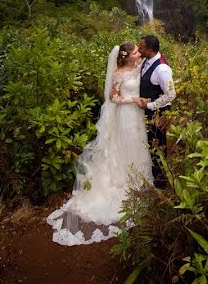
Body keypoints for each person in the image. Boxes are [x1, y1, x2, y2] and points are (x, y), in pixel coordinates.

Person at [46, 42, 153, 246]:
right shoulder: (118, 73)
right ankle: (127, 181)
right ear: (126, 56)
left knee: (141, 145)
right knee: (128, 145)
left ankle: (141, 180)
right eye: (135, 52)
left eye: (139, 51)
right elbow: (112, 98)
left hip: (139, 116)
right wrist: (133, 100)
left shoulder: (140, 66)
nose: (139, 53)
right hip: (126, 115)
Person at [136, 34, 175, 188]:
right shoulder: (146, 60)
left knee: (157, 147)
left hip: (157, 114)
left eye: (141, 47)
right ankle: (150, 177)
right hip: (146, 114)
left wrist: (150, 105)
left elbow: (171, 94)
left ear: (150, 50)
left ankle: (160, 184)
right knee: (149, 145)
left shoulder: (162, 69)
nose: (138, 49)